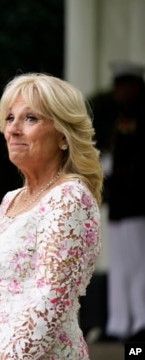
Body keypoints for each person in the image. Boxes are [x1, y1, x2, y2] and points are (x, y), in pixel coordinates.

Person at [0, 73, 104, 359]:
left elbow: (51, 302)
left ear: (64, 136)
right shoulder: (10, 199)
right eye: (9, 118)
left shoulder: (70, 197)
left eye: (30, 118)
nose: (14, 129)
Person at [92, 61, 145, 343]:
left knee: (138, 265)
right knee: (121, 265)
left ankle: (141, 321)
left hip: (138, 204)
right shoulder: (119, 117)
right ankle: (119, 323)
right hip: (120, 205)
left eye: (123, 86)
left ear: (134, 86)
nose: (118, 92)